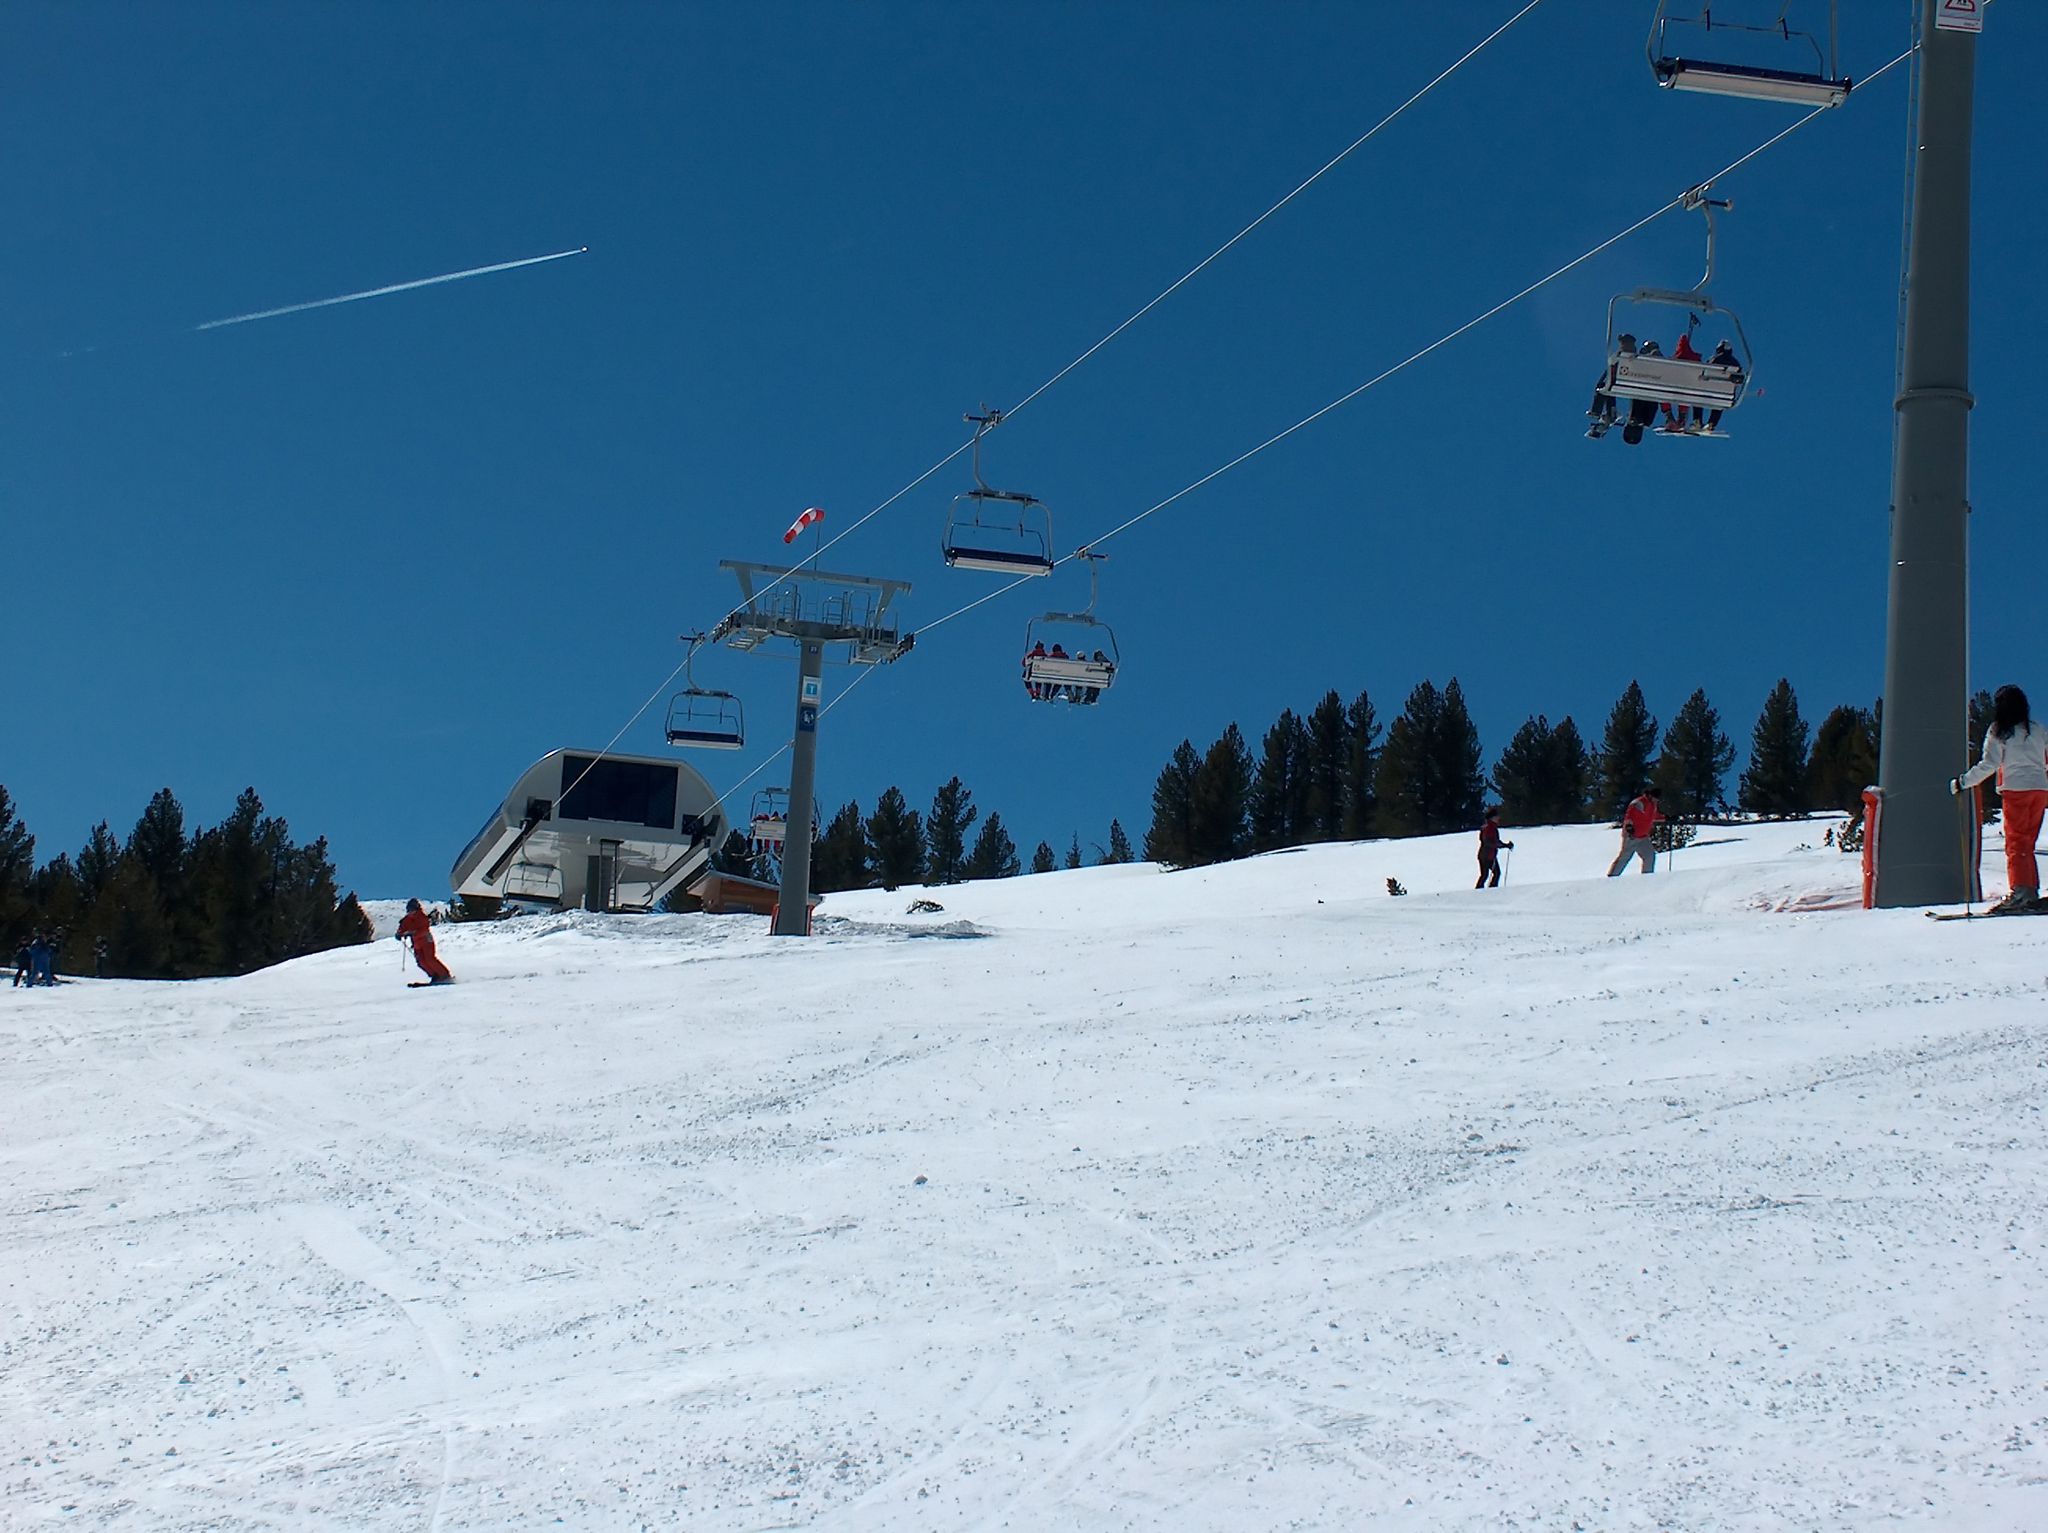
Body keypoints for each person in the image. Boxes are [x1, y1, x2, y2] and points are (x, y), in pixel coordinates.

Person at [1953, 683, 2048, 911]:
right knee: (2028, 843)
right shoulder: (2036, 728)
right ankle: (2029, 891)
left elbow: (1990, 763)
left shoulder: (1999, 730)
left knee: (2016, 843)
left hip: (2016, 789)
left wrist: (1964, 782)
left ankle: (2021, 892)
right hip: (2040, 789)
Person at [1587, 334, 1636, 439]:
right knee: (1605, 386)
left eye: (1623, 342)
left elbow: (1615, 364)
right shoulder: (1625, 354)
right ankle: (1608, 411)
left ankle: (1601, 410)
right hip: (1617, 378)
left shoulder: (1628, 355)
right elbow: (1612, 363)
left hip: (1621, 378)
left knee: (1604, 386)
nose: (1621, 345)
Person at [397, 898, 455, 984]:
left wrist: (412, 933)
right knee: (421, 961)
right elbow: (402, 927)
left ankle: (444, 975)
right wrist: (399, 934)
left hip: (426, 941)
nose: (410, 912)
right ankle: (434, 975)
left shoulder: (422, 917)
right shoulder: (407, 919)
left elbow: (424, 930)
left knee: (430, 959)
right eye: (409, 910)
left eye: (412, 910)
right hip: (417, 943)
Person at [1608, 788, 1663, 876]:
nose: (1657, 800)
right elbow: (1629, 815)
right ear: (1650, 795)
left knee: (1649, 856)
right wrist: (1629, 827)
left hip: (1643, 837)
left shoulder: (1652, 805)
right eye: (1655, 798)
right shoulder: (1638, 803)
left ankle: (1647, 878)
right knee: (1625, 857)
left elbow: (1653, 816)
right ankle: (1612, 877)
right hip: (1632, 836)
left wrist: (1666, 818)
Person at [1622, 340, 1663, 446]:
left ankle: (1648, 355)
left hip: (1646, 388)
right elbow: (1653, 406)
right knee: (1652, 369)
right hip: (1647, 387)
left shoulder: (1643, 420)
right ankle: (1650, 355)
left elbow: (1653, 406)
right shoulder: (1645, 420)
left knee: (1648, 370)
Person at [1661, 332, 1702, 432]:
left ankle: (1669, 416)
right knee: (1687, 390)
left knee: (1663, 390)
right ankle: (1681, 417)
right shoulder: (1695, 360)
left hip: (1675, 386)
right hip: (1688, 388)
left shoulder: (1676, 360)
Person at [1702, 339, 1741, 434]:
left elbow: (1704, 372)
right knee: (1720, 403)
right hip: (1726, 396)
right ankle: (1712, 424)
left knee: (1697, 396)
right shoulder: (1736, 364)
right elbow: (1738, 380)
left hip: (1708, 390)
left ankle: (1697, 420)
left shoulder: (1714, 359)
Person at [1476, 809, 1515, 889]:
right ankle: (1488, 890)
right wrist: (1503, 845)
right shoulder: (1489, 828)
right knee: (1489, 874)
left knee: (1490, 874)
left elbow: (1494, 841)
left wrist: (1505, 845)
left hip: (1488, 855)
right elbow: (1488, 842)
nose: (1498, 818)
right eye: (1496, 816)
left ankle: (1485, 890)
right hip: (1486, 856)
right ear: (1492, 818)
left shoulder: (1491, 827)